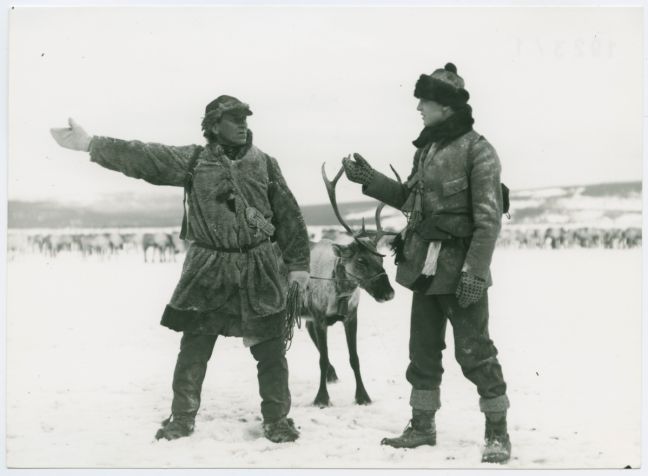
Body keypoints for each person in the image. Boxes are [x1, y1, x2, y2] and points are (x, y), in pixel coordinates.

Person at [50, 95, 311, 444]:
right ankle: (182, 417)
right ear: (214, 125)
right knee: (194, 349)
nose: (242, 124)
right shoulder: (193, 161)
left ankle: (277, 420)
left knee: (271, 351)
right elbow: (143, 156)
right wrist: (91, 144)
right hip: (209, 269)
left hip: (258, 268)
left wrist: (299, 266)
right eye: (233, 118)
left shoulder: (265, 164)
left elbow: (289, 215)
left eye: (245, 118)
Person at [341, 63, 511, 463]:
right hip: (424, 270)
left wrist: (474, 273)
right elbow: (411, 202)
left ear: (446, 107)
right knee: (422, 351)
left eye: (426, 101)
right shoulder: (427, 150)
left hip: (461, 271)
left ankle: (497, 432)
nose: (419, 107)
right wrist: (371, 179)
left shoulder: (479, 151)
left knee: (475, 353)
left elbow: (488, 220)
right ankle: (422, 425)